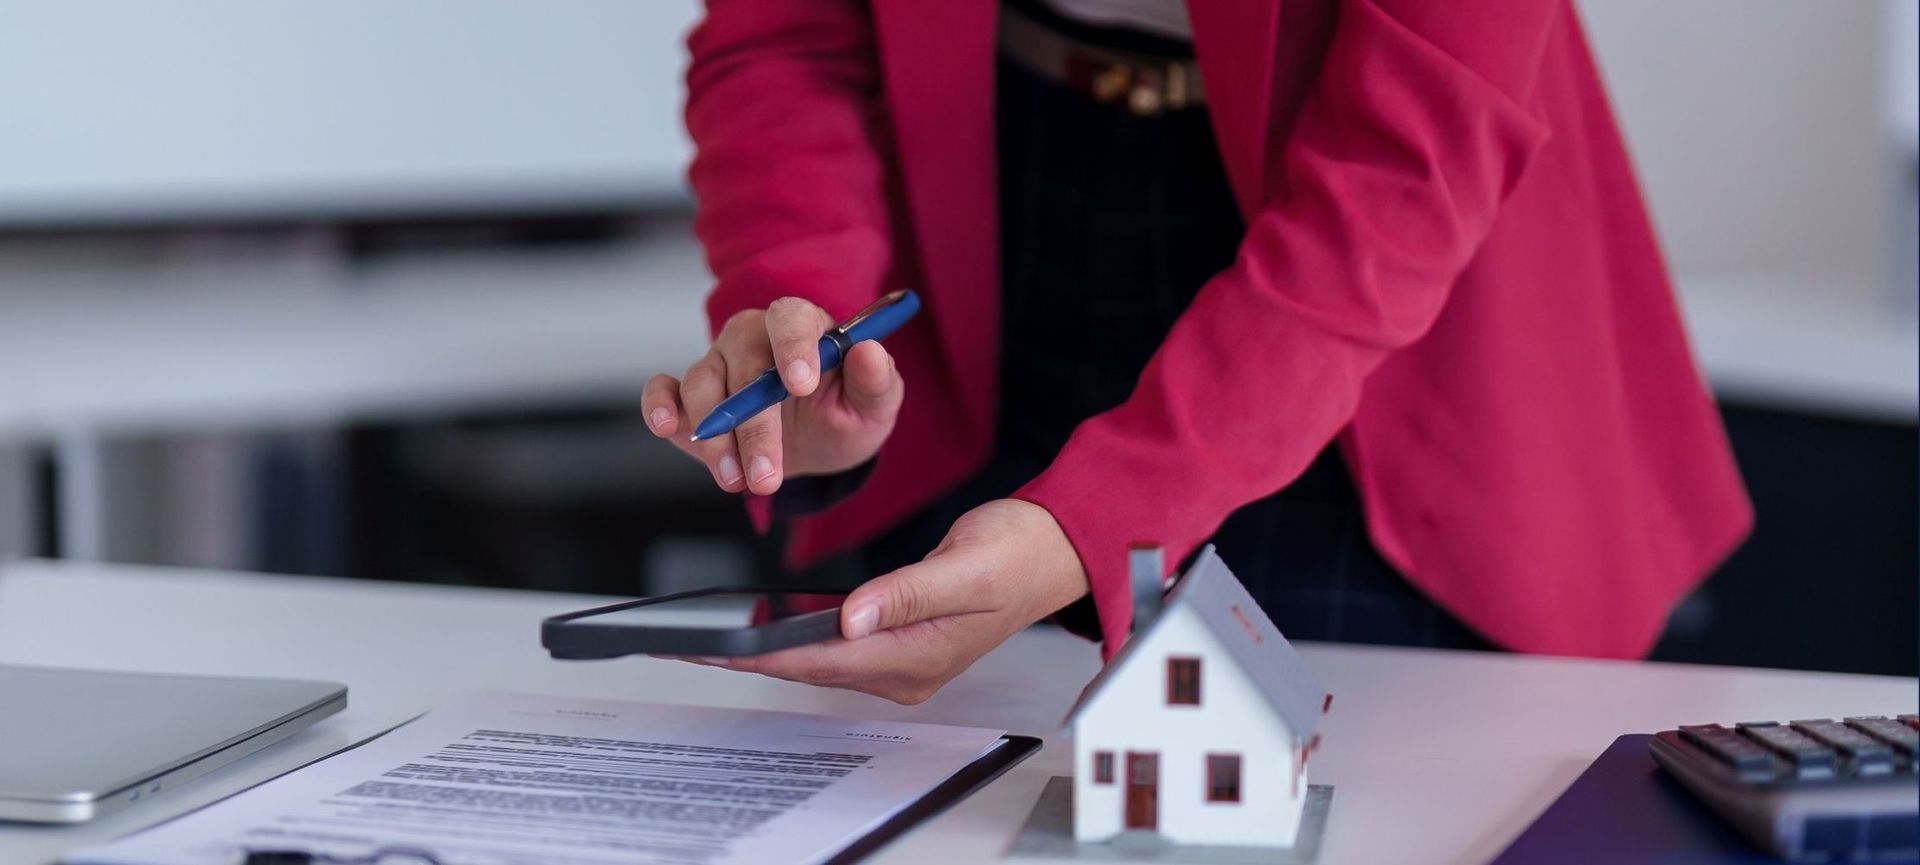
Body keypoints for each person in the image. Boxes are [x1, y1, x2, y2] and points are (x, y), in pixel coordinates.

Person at [642, 0, 1753, 704]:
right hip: (984, 199)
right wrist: (802, 295)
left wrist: (1098, 518)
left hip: (1386, 330)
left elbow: (1405, 164)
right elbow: (789, 30)